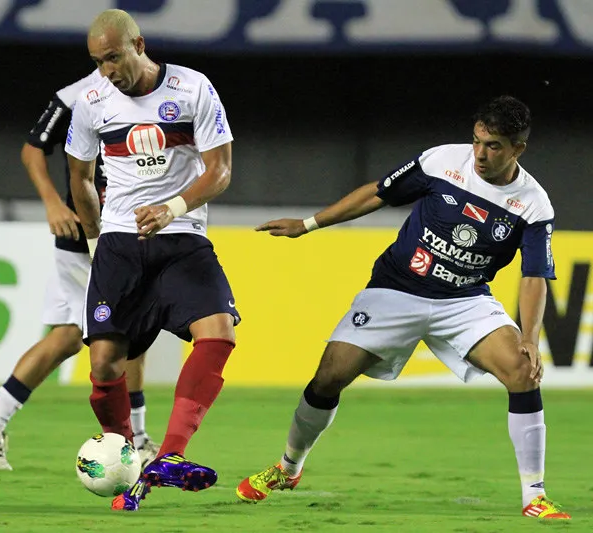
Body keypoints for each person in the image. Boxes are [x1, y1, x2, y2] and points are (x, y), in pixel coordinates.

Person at [235, 96, 570, 520]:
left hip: (464, 301)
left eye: (495, 146)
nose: (481, 154)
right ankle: (288, 468)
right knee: (329, 376)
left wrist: (529, 338)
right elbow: (379, 193)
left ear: (518, 149)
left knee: (521, 371)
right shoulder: (441, 161)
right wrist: (308, 224)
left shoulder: (533, 204)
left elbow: (534, 276)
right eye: (478, 141)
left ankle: (534, 496)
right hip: (395, 289)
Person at [65, 9, 239, 512]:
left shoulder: (192, 89)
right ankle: (125, 456)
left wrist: (173, 207)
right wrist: (98, 241)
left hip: (182, 236)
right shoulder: (90, 102)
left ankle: (169, 456)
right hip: (120, 243)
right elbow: (79, 178)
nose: (107, 71)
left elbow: (220, 169)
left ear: (138, 44)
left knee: (219, 331)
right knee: (103, 365)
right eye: (98, 62)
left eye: (114, 57)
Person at [0, 71, 160, 470]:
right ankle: (136, 440)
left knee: (69, 336)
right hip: (89, 237)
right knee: (129, 329)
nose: (114, 64)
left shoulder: (144, 92)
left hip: (116, 230)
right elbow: (33, 149)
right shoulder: (75, 97)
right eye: (105, 56)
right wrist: (54, 203)